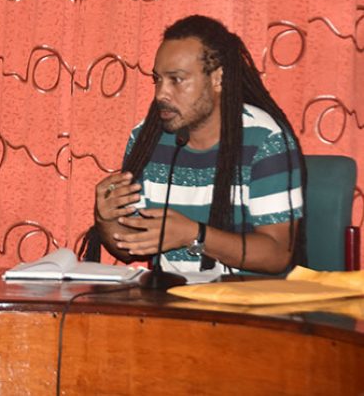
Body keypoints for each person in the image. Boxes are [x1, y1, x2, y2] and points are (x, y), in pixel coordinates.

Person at [88, 15, 305, 275]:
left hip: (247, 306)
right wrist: (107, 220)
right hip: (171, 301)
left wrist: (195, 235)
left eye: (176, 80)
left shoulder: (265, 140)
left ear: (217, 79)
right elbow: (131, 247)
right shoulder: (147, 139)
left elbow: (278, 254)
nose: (161, 94)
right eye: (157, 79)